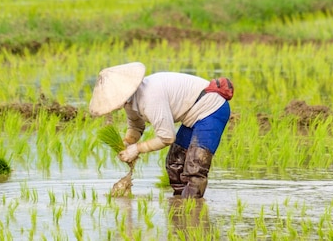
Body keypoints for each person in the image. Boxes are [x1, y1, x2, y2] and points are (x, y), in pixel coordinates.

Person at [89, 62, 233, 198]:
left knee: (195, 167)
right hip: (192, 115)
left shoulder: (150, 97)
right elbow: (136, 126)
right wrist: (127, 143)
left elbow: (167, 137)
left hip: (211, 109)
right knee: (174, 163)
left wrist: (137, 149)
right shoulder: (129, 101)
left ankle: (193, 209)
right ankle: (180, 204)